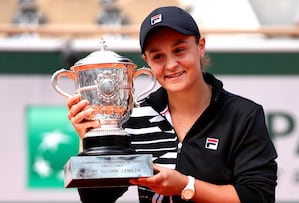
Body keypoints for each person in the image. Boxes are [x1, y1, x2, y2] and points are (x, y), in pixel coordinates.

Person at [67, 6, 278, 203]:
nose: (171, 65)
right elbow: (96, 198)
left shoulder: (243, 115)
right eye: (158, 56)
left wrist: (186, 186)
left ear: (200, 46)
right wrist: (91, 138)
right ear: (146, 60)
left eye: (179, 50)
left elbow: (259, 196)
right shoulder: (133, 117)